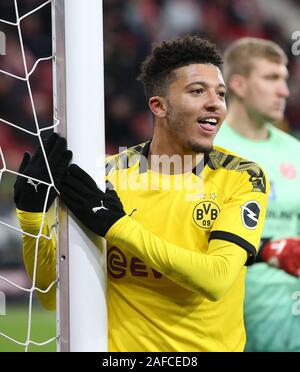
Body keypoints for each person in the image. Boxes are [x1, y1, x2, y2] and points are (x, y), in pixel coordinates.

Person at [14, 35, 269, 352]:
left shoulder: (242, 176)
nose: (215, 103)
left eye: (220, 93)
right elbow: (52, 297)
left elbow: (216, 279)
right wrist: (31, 218)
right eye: (197, 91)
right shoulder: (103, 177)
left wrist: (117, 226)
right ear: (159, 106)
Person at [215, 37, 300, 352]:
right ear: (238, 84)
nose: (284, 91)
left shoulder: (294, 151)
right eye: (271, 78)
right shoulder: (207, 149)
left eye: (285, 79)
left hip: (288, 319)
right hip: (222, 317)